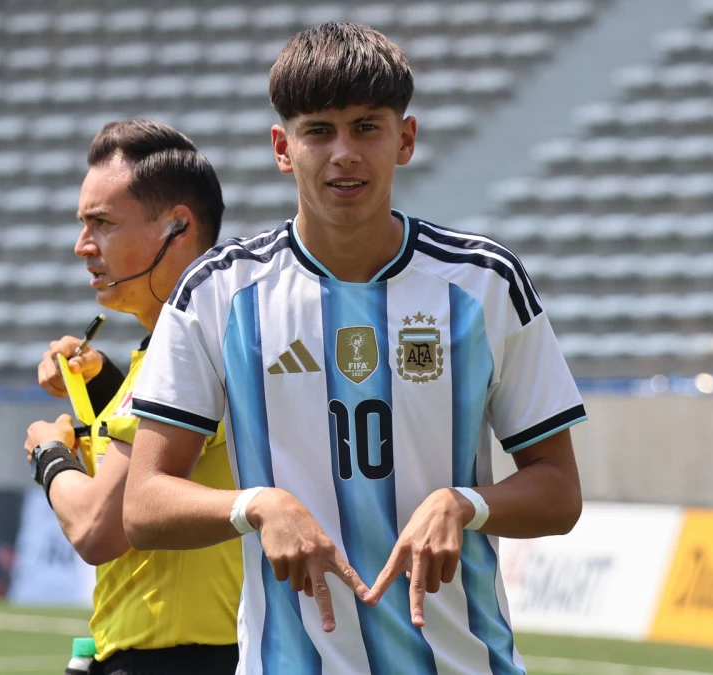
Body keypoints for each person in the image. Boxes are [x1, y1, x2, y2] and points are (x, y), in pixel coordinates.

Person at [123, 22, 586, 674]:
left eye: (367, 127)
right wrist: (256, 504)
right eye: (319, 131)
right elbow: (143, 502)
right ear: (284, 148)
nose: (345, 152)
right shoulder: (219, 292)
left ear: (406, 139)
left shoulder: (484, 282)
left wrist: (466, 502)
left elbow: (560, 491)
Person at [22, 119, 241, 675]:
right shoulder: (205, 335)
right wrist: (103, 381)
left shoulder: (188, 345)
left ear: (177, 226)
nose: (82, 246)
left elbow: (99, 528)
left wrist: (49, 455)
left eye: (103, 223)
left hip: (178, 660)